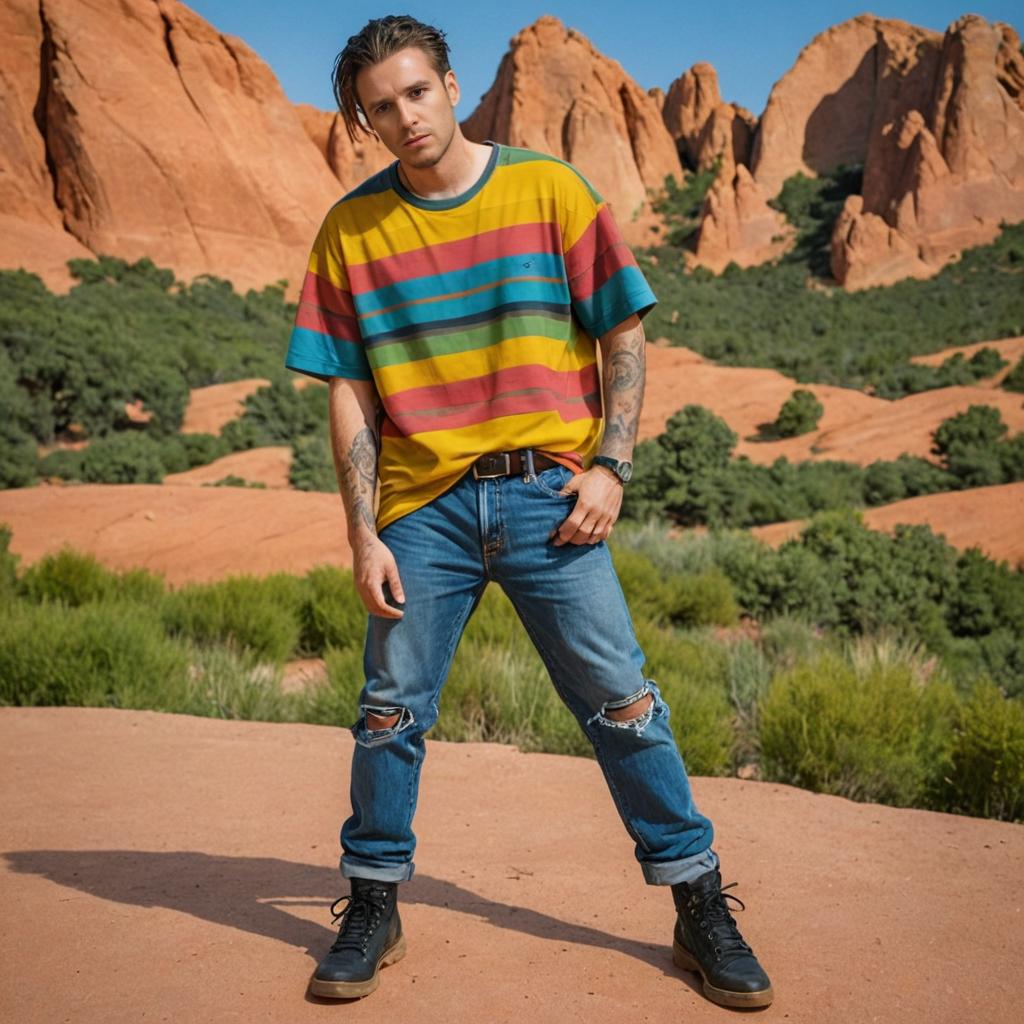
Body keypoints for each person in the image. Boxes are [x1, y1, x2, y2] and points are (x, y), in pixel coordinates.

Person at [284, 14, 772, 1010]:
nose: (405, 116)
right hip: (423, 508)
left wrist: (612, 467)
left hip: (551, 495)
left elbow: (620, 332)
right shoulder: (350, 228)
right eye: (381, 106)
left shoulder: (548, 189)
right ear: (365, 120)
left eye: (416, 92)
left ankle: (697, 902)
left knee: (624, 705)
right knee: (388, 714)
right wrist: (362, 531)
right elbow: (346, 390)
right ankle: (374, 902)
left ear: (452, 85)